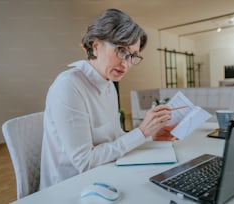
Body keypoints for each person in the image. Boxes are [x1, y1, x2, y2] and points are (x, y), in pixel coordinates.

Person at [40, 8, 176, 190]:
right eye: (121, 50)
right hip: (70, 188)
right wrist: (141, 132)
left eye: (133, 56)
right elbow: (85, 163)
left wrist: (150, 135)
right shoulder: (68, 86)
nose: (126, 63)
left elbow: (115, 138)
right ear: (96, 46)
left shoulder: (109, 84)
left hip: (104, 176)